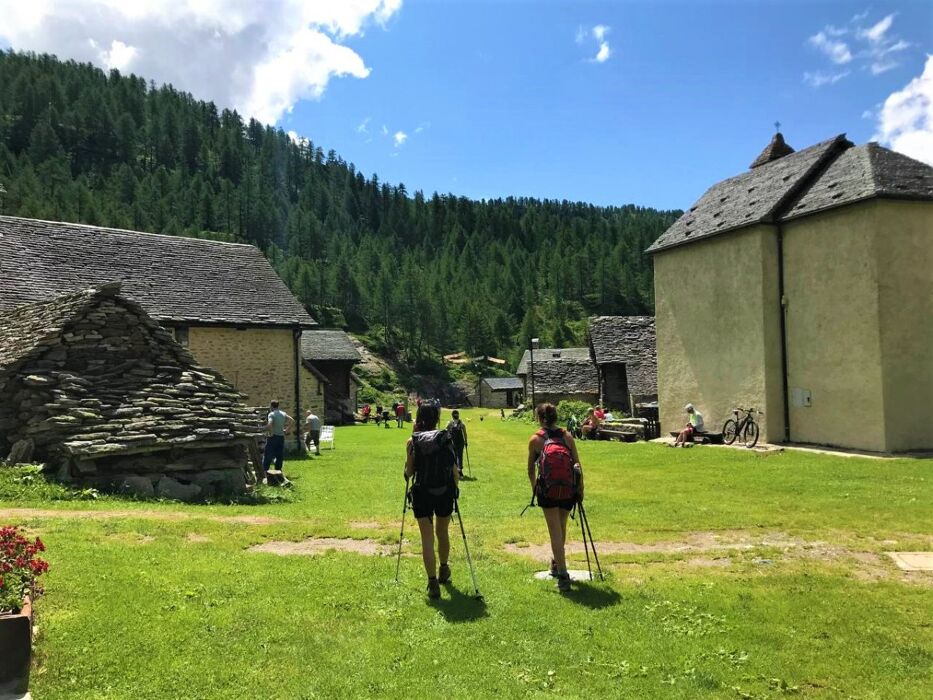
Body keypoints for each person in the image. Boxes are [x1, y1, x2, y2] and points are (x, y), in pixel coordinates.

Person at [404, 403, 460, 599]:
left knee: (427, 538)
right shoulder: (446, 437)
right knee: (442, 532)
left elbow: (409, 472)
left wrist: (407, 470)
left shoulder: (412, 441)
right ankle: (444, 568)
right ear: (436, 417)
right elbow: (455, 471)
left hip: (422, 492)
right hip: (444, 491)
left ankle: (432, 582)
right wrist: (454, 488)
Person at [528, 403, 583, 592]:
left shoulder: (535, 440)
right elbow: (577, 464)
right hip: (568, 489)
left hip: (548, 490)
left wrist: (534, 487)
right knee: (561, 527)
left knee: (554, 531)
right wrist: (580, 489)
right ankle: (555, 562)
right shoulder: (567, 436)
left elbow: (529, 469)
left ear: (539, 418)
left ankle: (563, 573)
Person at [263, 400, 294, 475]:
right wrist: (286, 430)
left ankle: (265, 472)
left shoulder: (271, 414)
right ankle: (278, 471)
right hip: (281, 437)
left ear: (271, 406)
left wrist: (270, 432)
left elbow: (270, 424)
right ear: (278, 406)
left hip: (273, 437)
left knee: (268, 454)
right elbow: (292, 420)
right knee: (279, 455)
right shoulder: (283, 413)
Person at [445, 409, 468, 477]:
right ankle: (459, 470)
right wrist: (466, 441)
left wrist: (447, 438)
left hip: (454, 442)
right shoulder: (461, 423)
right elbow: (465, 433)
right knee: (459, 456)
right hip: (460, 442)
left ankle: (456, 471)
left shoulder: (450, 423)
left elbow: (446, 431)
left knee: (454, 456)